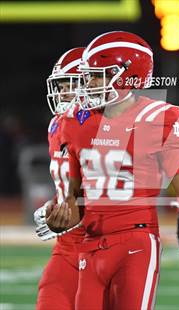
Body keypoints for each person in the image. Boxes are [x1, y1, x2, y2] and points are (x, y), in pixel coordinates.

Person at [46, 31, 179, 309]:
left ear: (130, 75)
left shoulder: (158, 118)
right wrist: (60, 220)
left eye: (98, 76)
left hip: (136, 244)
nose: (88, 84)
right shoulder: (74, 122)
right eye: (89, 76)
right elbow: (76, 200)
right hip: (90, 245)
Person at [33, 47, 85, 310]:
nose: (64, 91)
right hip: (66, 247)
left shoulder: (108, 128)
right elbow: (68, 185)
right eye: (61, 84)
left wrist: (73, 215)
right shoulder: (57, 125)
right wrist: (55, 207)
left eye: (71, 84)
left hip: (100, 243)